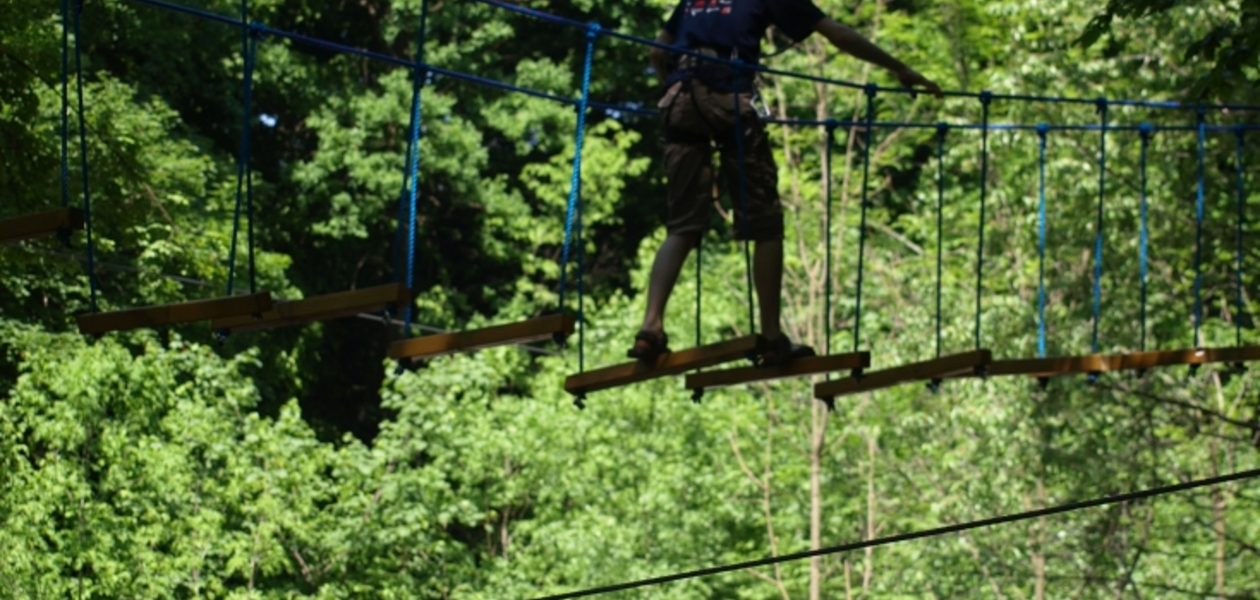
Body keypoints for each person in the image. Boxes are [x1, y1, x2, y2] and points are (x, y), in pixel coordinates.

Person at [628, 0, 942, 367]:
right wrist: (900, 68)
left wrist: (677, 85)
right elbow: (838, 34)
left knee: (681, 226)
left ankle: (650, 329)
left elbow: (656, 50)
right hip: (728, 97)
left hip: (678, 98)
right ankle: (772, 338)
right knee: (765, 224)